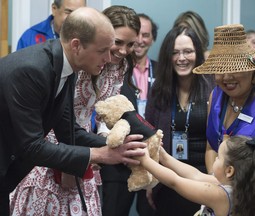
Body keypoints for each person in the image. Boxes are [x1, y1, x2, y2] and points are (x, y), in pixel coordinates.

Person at [0, 7, 146, 215]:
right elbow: (31, 146)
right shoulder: (32, 70)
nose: (108, 57)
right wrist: (99, 154)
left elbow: (69, 130)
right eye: (102, 50)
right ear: (77, 45)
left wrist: (117, 147)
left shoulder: (65, 68)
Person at [193, 24, 255, 215]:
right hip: (232, 205)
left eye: (234, 68)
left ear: (252, 68)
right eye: (220, 69)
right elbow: (212, 147)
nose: (227, 77)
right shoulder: (216, 95)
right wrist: (218, 182)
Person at [145, 25, 215, 215]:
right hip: (168, 181)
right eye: (175, 52)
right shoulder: (159, 90)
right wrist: (151, 181)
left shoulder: (213, 87)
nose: (181, 58)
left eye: (188, 52)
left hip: (205, 180)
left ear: (197, 54)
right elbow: (149, 136)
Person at [100, 13, 158, 216]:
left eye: (130, 43)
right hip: (102, 158)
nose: (124, 50)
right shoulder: (92, 65)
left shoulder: (126, 66)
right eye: (118, 42)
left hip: (137, 156)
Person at [136, 135, 255, 216]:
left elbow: (175, 182)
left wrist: (145, 160)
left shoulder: (221, 195)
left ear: (229, 171)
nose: (215, 159)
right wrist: (164, 156)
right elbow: (194, 175)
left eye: (218, 158)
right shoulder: (238, 189)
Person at [17, 0, 86, 50]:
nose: (74, 18)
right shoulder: (30, 37)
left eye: (79, 13)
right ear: (54, 9)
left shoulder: (90, 38)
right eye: (68, 12)